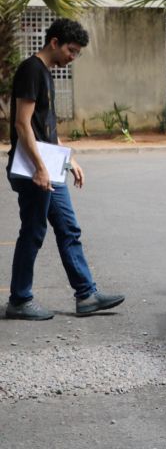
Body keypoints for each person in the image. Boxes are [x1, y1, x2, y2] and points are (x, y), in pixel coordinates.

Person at [5, 18, 125, 320]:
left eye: (78, 53)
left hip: (49, 165)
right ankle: (20, 300)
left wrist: (69, 160)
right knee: (32, 232)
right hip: (35, 169)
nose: (73, 57)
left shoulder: (44, 73)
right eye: (71, 50)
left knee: (69, 228)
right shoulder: (31, 70)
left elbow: (45, 127)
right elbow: (22, 123)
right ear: (54, 42)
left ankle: (86, 295)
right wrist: (41, 168)